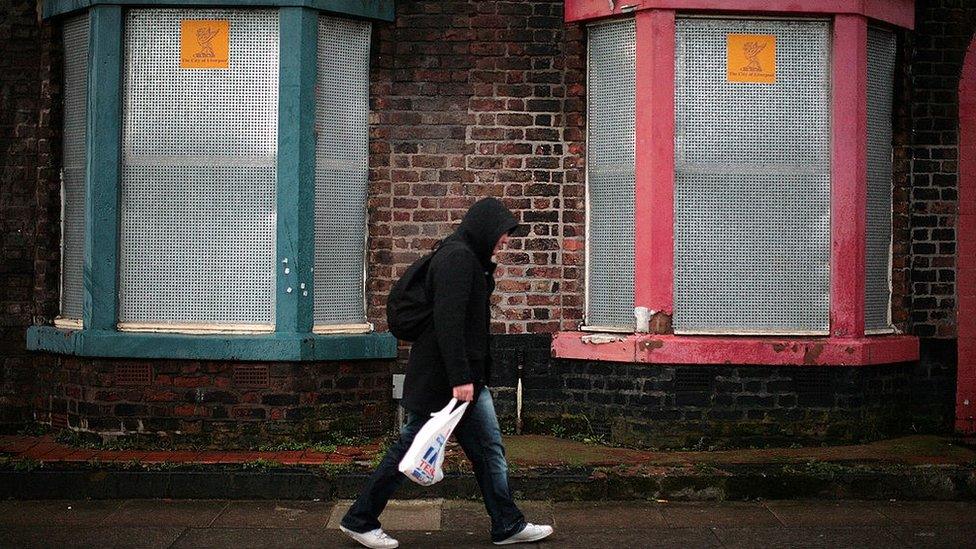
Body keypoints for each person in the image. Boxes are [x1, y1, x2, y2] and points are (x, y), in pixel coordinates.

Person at [340, 198, 554, 548]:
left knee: (489, 451)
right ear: (485, 228)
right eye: (503, 233)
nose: (506, 240)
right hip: (445, 381)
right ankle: (359, 519)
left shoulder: (471, 259)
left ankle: (507, 523)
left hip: (465, 381)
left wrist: (488, 270)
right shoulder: (457, 259)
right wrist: (460, 379)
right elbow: (449, 323)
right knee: (409, 452)